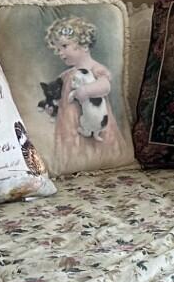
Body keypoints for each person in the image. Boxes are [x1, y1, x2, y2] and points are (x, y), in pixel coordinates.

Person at [40, 15, 128, 168]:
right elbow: (61, 98)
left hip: (93, 121)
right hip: (69, 124)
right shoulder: (66, 75)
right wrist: (53, 108)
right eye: (57, 49)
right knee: (72, 153)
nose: (60, 53)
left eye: (64, 46)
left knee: (95, 149)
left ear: (84, 45)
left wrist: (86, 90)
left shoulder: (95, 69)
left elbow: (105, 86)